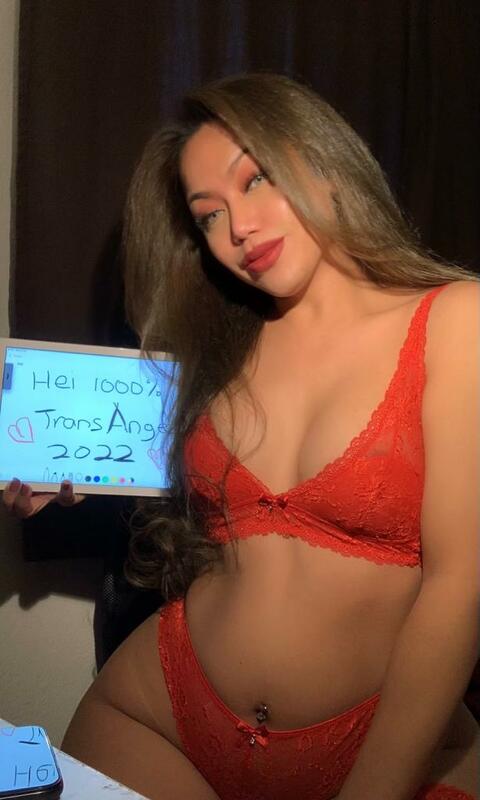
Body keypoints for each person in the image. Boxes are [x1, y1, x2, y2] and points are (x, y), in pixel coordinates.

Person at [4, 72, 479, 800]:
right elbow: (148, 471)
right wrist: (60, 474)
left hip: (380, 753)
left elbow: (460, 586)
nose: (239, 229)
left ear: (323, 160)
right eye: (209, 215)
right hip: (162, 721)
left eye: (255, 180)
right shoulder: (215, 354)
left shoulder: (455, 322)